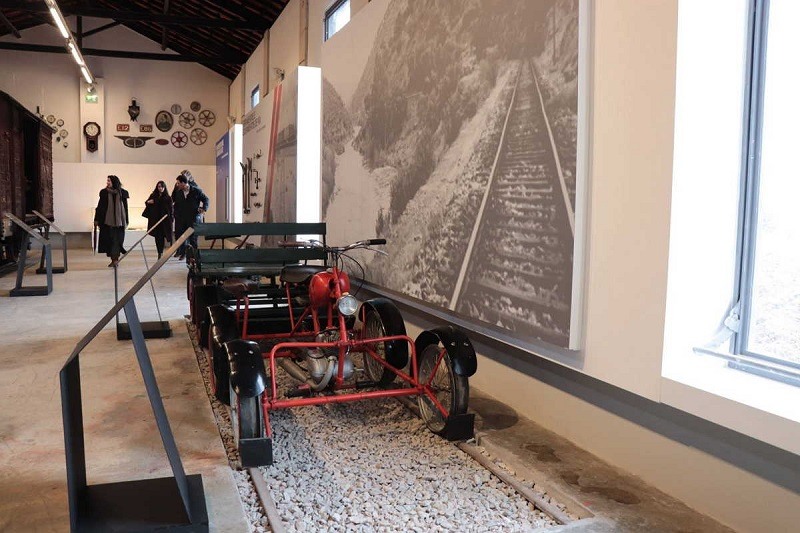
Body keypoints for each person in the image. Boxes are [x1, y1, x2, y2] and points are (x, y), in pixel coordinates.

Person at [94, 175, 129, 267]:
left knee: (117, 241)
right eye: (107, 181)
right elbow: (100, 207)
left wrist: (126, 220)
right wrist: (96, 219)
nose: (107, 182)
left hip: (119, 222)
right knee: (110, 241)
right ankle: (114, 259)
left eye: (109, 181)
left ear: (114, 182)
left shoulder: (123, 193)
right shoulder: (104, 192)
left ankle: (115, 260)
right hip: (107, 222)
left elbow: (125, 208)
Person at [172, 174, 209, 260]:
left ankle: (195, 257)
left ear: (184, 183)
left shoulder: (196, 191)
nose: (177, 185)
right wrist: (176, 214)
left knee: (193, 239)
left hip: (193, 219)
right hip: (181, 219)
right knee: (183, 237)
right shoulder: (178, 192)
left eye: (178, 183)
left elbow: (206, 199)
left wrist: (204, 208)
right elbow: (175, 204)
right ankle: (184, 254)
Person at [143, 180, 174, 259]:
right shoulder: (153, 195)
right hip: (155, 221)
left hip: (164, 221)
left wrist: (171, 219)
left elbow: (170, 209)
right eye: (159, 187)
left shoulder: (167, 198)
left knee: (163, 237)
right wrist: (149, 202)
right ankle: (159, 253)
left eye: (162, 187)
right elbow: (147, 202)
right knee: (158, 237)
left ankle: (162, 252)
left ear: (164, 187)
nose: (160, 188)